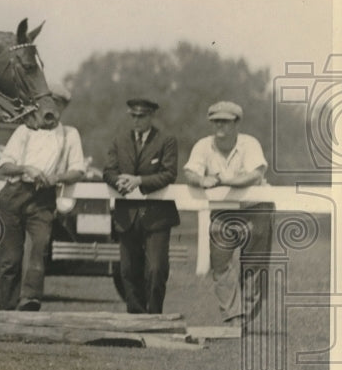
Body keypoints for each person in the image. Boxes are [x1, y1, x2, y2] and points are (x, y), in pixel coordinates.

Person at [0, 84, 85, 311]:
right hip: (15, 194)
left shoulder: (69, 134)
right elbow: (3, 166)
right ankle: (6, 309)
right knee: (10, 258)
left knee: (40, 246)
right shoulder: (26, 129)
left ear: (64, 107)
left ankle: (29, 300)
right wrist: (26, 168)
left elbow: (78, 170)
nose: (52, 107)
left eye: (58, 103)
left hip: (43, 198)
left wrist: (56, 178)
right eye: (49, 101)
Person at [184, 101, 273, 328]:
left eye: (225, 121)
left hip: (255, 210)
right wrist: (201, 179)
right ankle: (233, 317)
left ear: (237, 123)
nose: (220, 126)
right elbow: (190, 172)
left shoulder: (249, 143)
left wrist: (222, 180)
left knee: (254, 266)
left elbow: (254, 175)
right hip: (223, 212)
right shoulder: (204, 146)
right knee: (220, 264)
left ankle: (246, 318)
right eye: (216, 121)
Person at [102, 98, 180, 314]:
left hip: (156, 215)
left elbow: (169, 173)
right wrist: (118, 181)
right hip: (126, 216)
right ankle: (135, 317)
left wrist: (139, 181)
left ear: (151, 116)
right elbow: (108, 171)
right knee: (127, 270)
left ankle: (154, 316)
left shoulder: (166, 141)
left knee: (156, 269)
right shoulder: (119, 141)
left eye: (141, 116)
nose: (136, 120)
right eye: (133, 116)